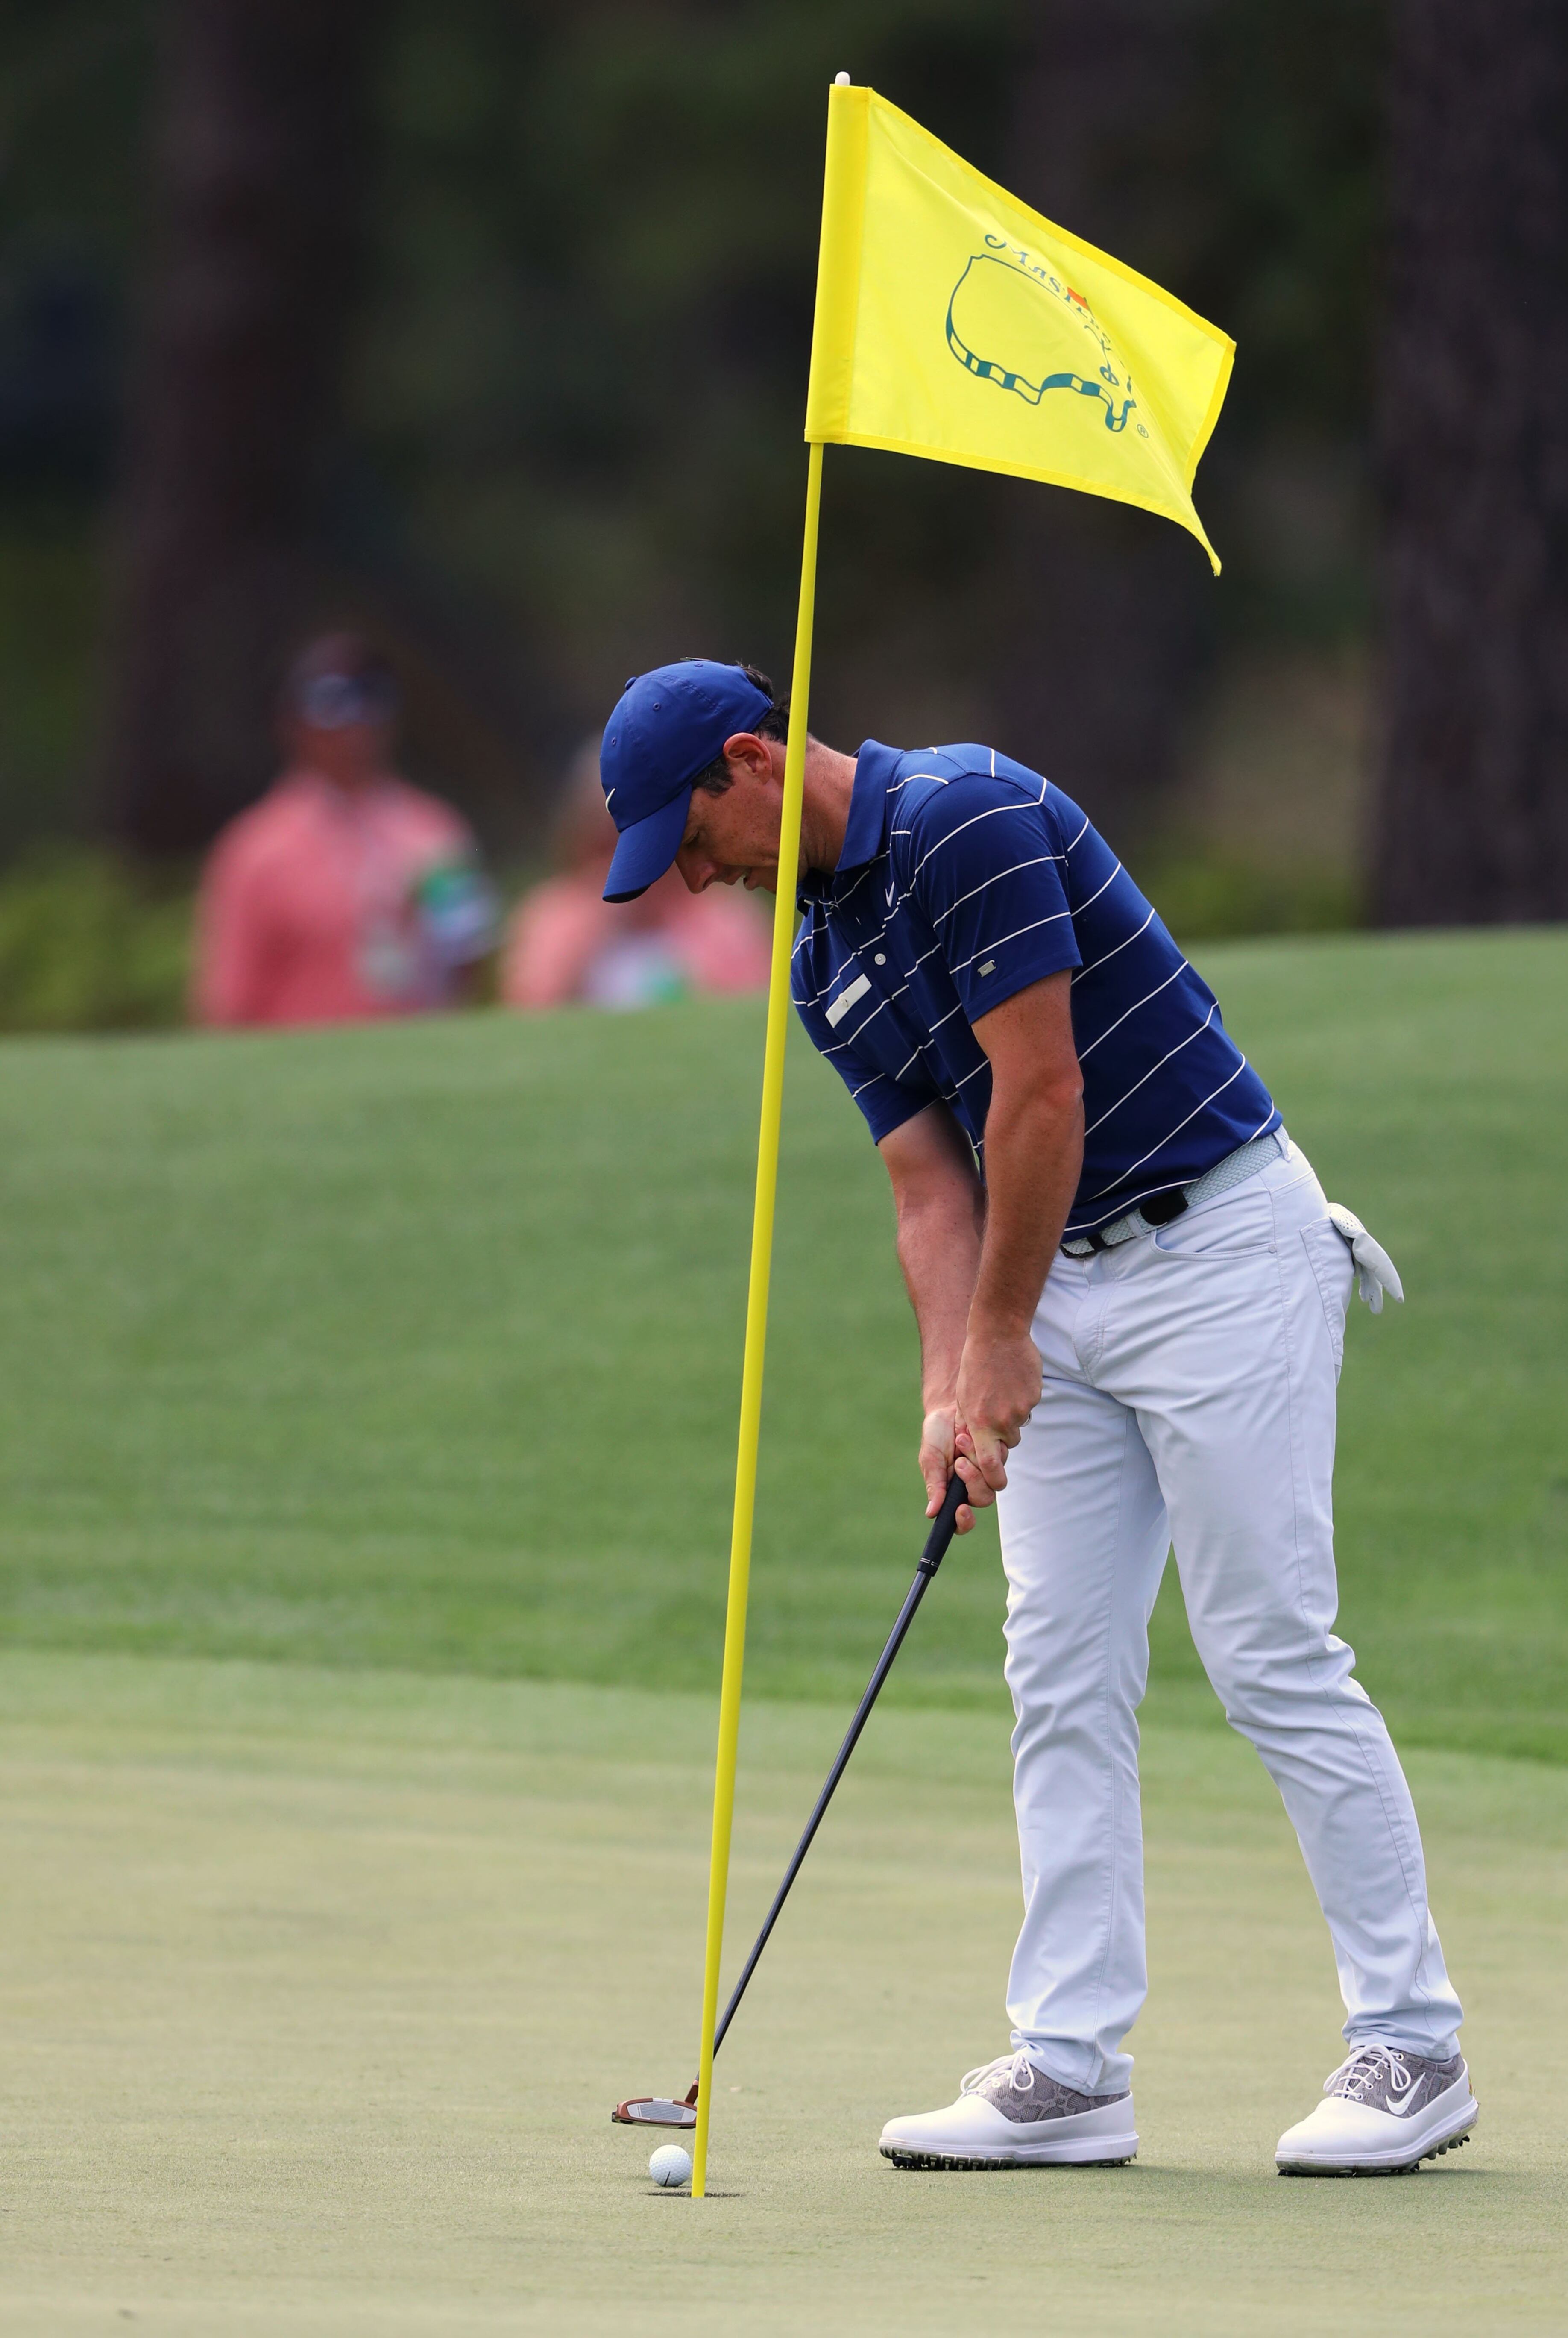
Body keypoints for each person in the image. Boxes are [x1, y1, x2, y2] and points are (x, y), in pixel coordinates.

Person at [598, 656, 1474, 2179]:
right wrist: (952, 1387)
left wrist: (1001, 1338)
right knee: (1058, 1663)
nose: (695, 877)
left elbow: (1041, 1094)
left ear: (751, 758)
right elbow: (929, 1190)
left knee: (1268, 1649)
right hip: (1047, 1270)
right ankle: (1069, 2064)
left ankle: (1413, 2046)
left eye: (690, 838)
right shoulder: (817, 957)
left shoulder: (967, 817)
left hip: (1217, 1248)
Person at [194, 635, 497, 1028]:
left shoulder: (435, 831)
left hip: (416, 1053)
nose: (357, 725)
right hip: (303, 1060)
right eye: (332, 703)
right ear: (292, 723)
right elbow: (228, 1003)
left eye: (372, 698)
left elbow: (469, 961)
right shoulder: (257, 849)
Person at [501, 743, 768, 1010]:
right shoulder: (551, 916)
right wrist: (594, 927)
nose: (626, 859)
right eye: (609, 844)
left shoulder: (721, 916)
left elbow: (750, 1005)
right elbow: (528, 1010)